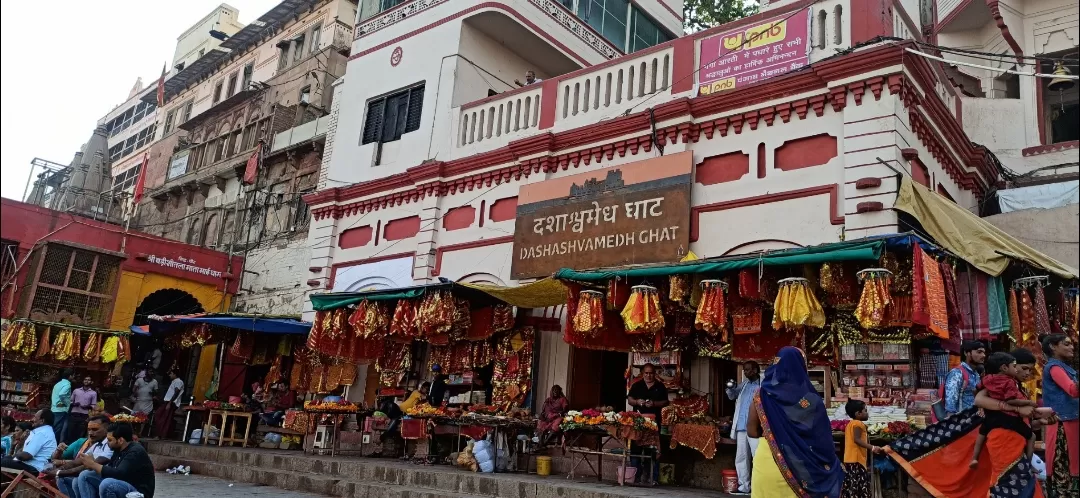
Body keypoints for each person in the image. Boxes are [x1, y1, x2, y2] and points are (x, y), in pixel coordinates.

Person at [745, 347, 844, 498]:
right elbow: (822, 439)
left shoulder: (762, 395)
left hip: (768, 462)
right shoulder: (811, 400)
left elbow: (752, 432)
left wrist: (773, 431)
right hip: (805, 470)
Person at [969, 352, 1052, 469]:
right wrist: (1018, 408)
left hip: (1013, 437)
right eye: (1023, 368)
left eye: (1030, 370)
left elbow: (1020, 418)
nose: (1027, 373)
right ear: (1006, 367)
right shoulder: (1005, 382)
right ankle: (1028, 465)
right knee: (1007, 480)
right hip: (1004, 439)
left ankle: (975, 458)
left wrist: (1037, 421)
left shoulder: (1015, 385)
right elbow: (978, 400)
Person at [75, 422, 155, 498]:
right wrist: (92, 465)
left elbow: (119, 473)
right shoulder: (118, 449)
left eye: (110, 440)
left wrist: (93, 464)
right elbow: (111, 469)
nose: (107, 443)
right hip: (123, 484)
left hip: (138, 493)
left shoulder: (135, 451)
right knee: (84, 475)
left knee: (108, 484)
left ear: (120, 440)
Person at [1041, 334, 1078, 498]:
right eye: (1067, 344)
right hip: (1063, 424)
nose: (1072, 347)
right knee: (1066, 464)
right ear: (1053, 347)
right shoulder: (1055, 368)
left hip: (1069, 420)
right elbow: (1073, 390)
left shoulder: (1063, 368)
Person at [48, 415, 113, 498]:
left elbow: (88, 466)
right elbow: (79, 461)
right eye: (89, 429)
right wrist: (58, 470)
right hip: (94, 478)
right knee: (63, 479)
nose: (90, 433)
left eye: (95, 429)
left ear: (107, 429)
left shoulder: (110, 443)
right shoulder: (96, 444)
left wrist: (58, 472)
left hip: (107, 480)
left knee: (83, 475)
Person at [626, 363, 669, 484]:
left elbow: (666, 402)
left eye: (651, 373)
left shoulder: (660, 386)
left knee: (653, 449)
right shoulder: (637, 385)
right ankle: (635, 477)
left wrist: (654, 404)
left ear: (654, 374)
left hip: (654, 423)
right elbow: (630, 400)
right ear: (642, 374)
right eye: (646, 373)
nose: (649, 375)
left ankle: (652, 478)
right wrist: (637, 401)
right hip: (638, 422)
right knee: (636, 448)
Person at [726, 361, 762, 494]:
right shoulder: (744, 384)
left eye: (748, 370)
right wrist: (731, 387)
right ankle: (744, 486)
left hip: (756, 428)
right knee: (741, 457)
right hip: (742, 426)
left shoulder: (762, 384)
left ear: (755, 370)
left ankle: (759, 486)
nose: (746, 372)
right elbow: (732, 396)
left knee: (757, 457)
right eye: (745, 370)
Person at [842, 400, 882, 498]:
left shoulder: (850, 424)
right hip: (857, 460)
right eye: (865, 410)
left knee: (852, 485)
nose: (867, 413)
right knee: (860, 485)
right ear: (858, 413)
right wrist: (872, 448)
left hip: (849, 459)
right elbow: (857, 440)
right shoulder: (858, 424)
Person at [0, 409, 57, 476]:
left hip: (35, 468)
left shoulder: (42, 433)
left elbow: (26, 456)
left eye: (35, 417)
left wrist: (17, 453)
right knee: (7, 459)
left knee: (4, 462)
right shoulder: (44, 431)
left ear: (42, 421)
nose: (32, 419)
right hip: (32, 466)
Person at [943, 340, 986, 418]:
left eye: (983, 352)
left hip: (974, 421)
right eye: (979, 352)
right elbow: (950, 405)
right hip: (962, 423)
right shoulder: (957, 373)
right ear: (966, 353)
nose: (983, 355)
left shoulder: (976, 374)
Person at [67, 375, 99, 444]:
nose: (86, 381)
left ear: (91, 382)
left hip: (84, 415)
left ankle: (76, 449)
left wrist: (87, 406)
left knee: (80, 434)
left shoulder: (93, 393)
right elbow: (70, 401)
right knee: (70, 432)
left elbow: (93, 405)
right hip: (74, 414)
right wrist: (75, 404)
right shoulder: (76, 391)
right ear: (83, 381)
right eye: (85, 379)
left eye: (88, 380)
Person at [154, 370, 184, 438]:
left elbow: (176, 392)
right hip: (168, 401)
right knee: (161, 416)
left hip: (171, 402)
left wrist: (170, 403)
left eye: (171, 374)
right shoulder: (174, 381)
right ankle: (162, 434)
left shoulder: (178, 381)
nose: (170, 375)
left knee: (164, 419)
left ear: (175, 374)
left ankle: (162, 435)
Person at [52, 368, 75, 442]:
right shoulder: (67, 384)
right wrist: (67, 403)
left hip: (55, 408)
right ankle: (54, 445)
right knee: (58, 429)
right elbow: (62, 394)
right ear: (70, 376)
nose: (74, 377)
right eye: (73, 375)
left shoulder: (58, 384)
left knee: (56, 427)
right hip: (61, 409)